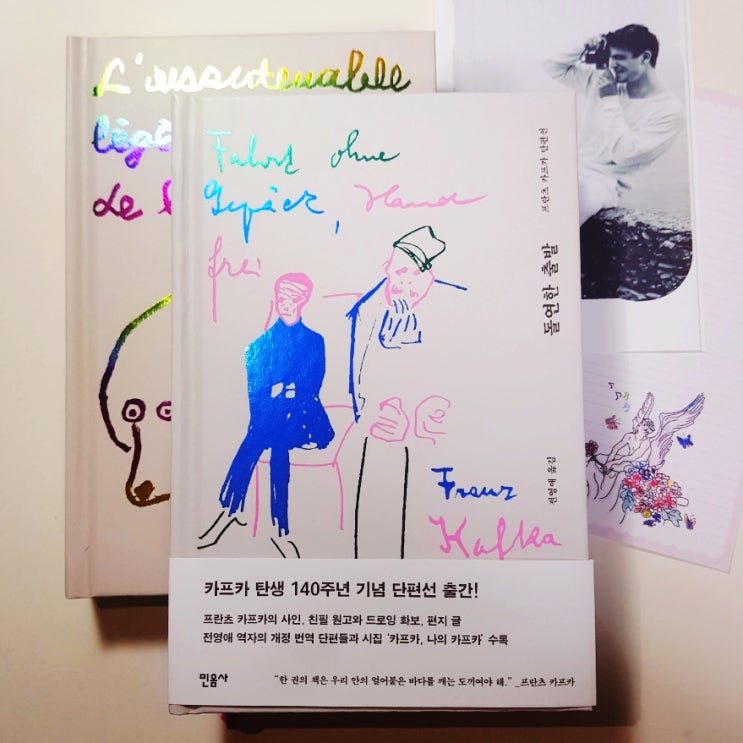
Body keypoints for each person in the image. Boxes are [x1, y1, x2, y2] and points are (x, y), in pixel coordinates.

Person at [198, 273, 334, 555]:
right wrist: (284, 390)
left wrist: (281, 390)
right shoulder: (259, 346)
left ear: (304, 300)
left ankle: (238, 512)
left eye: (293, 297)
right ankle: (271, 525)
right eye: (282, 297)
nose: (286, 303)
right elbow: (257, 394)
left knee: (266, 438)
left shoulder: (314, 341)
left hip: (303, 419)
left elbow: (311, 386)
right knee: (267, 436)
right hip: (268, 418)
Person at [544, 24, 685, 224]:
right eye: (611, 57)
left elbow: (623, 154)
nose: (612, 64)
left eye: (619, 58)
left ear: (645, 57)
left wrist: (609, 99)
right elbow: (552, 66)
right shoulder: (603, 81)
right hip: (571, 167)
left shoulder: (669, 111)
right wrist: (584, 45)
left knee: (563, 216)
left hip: (601, 183)